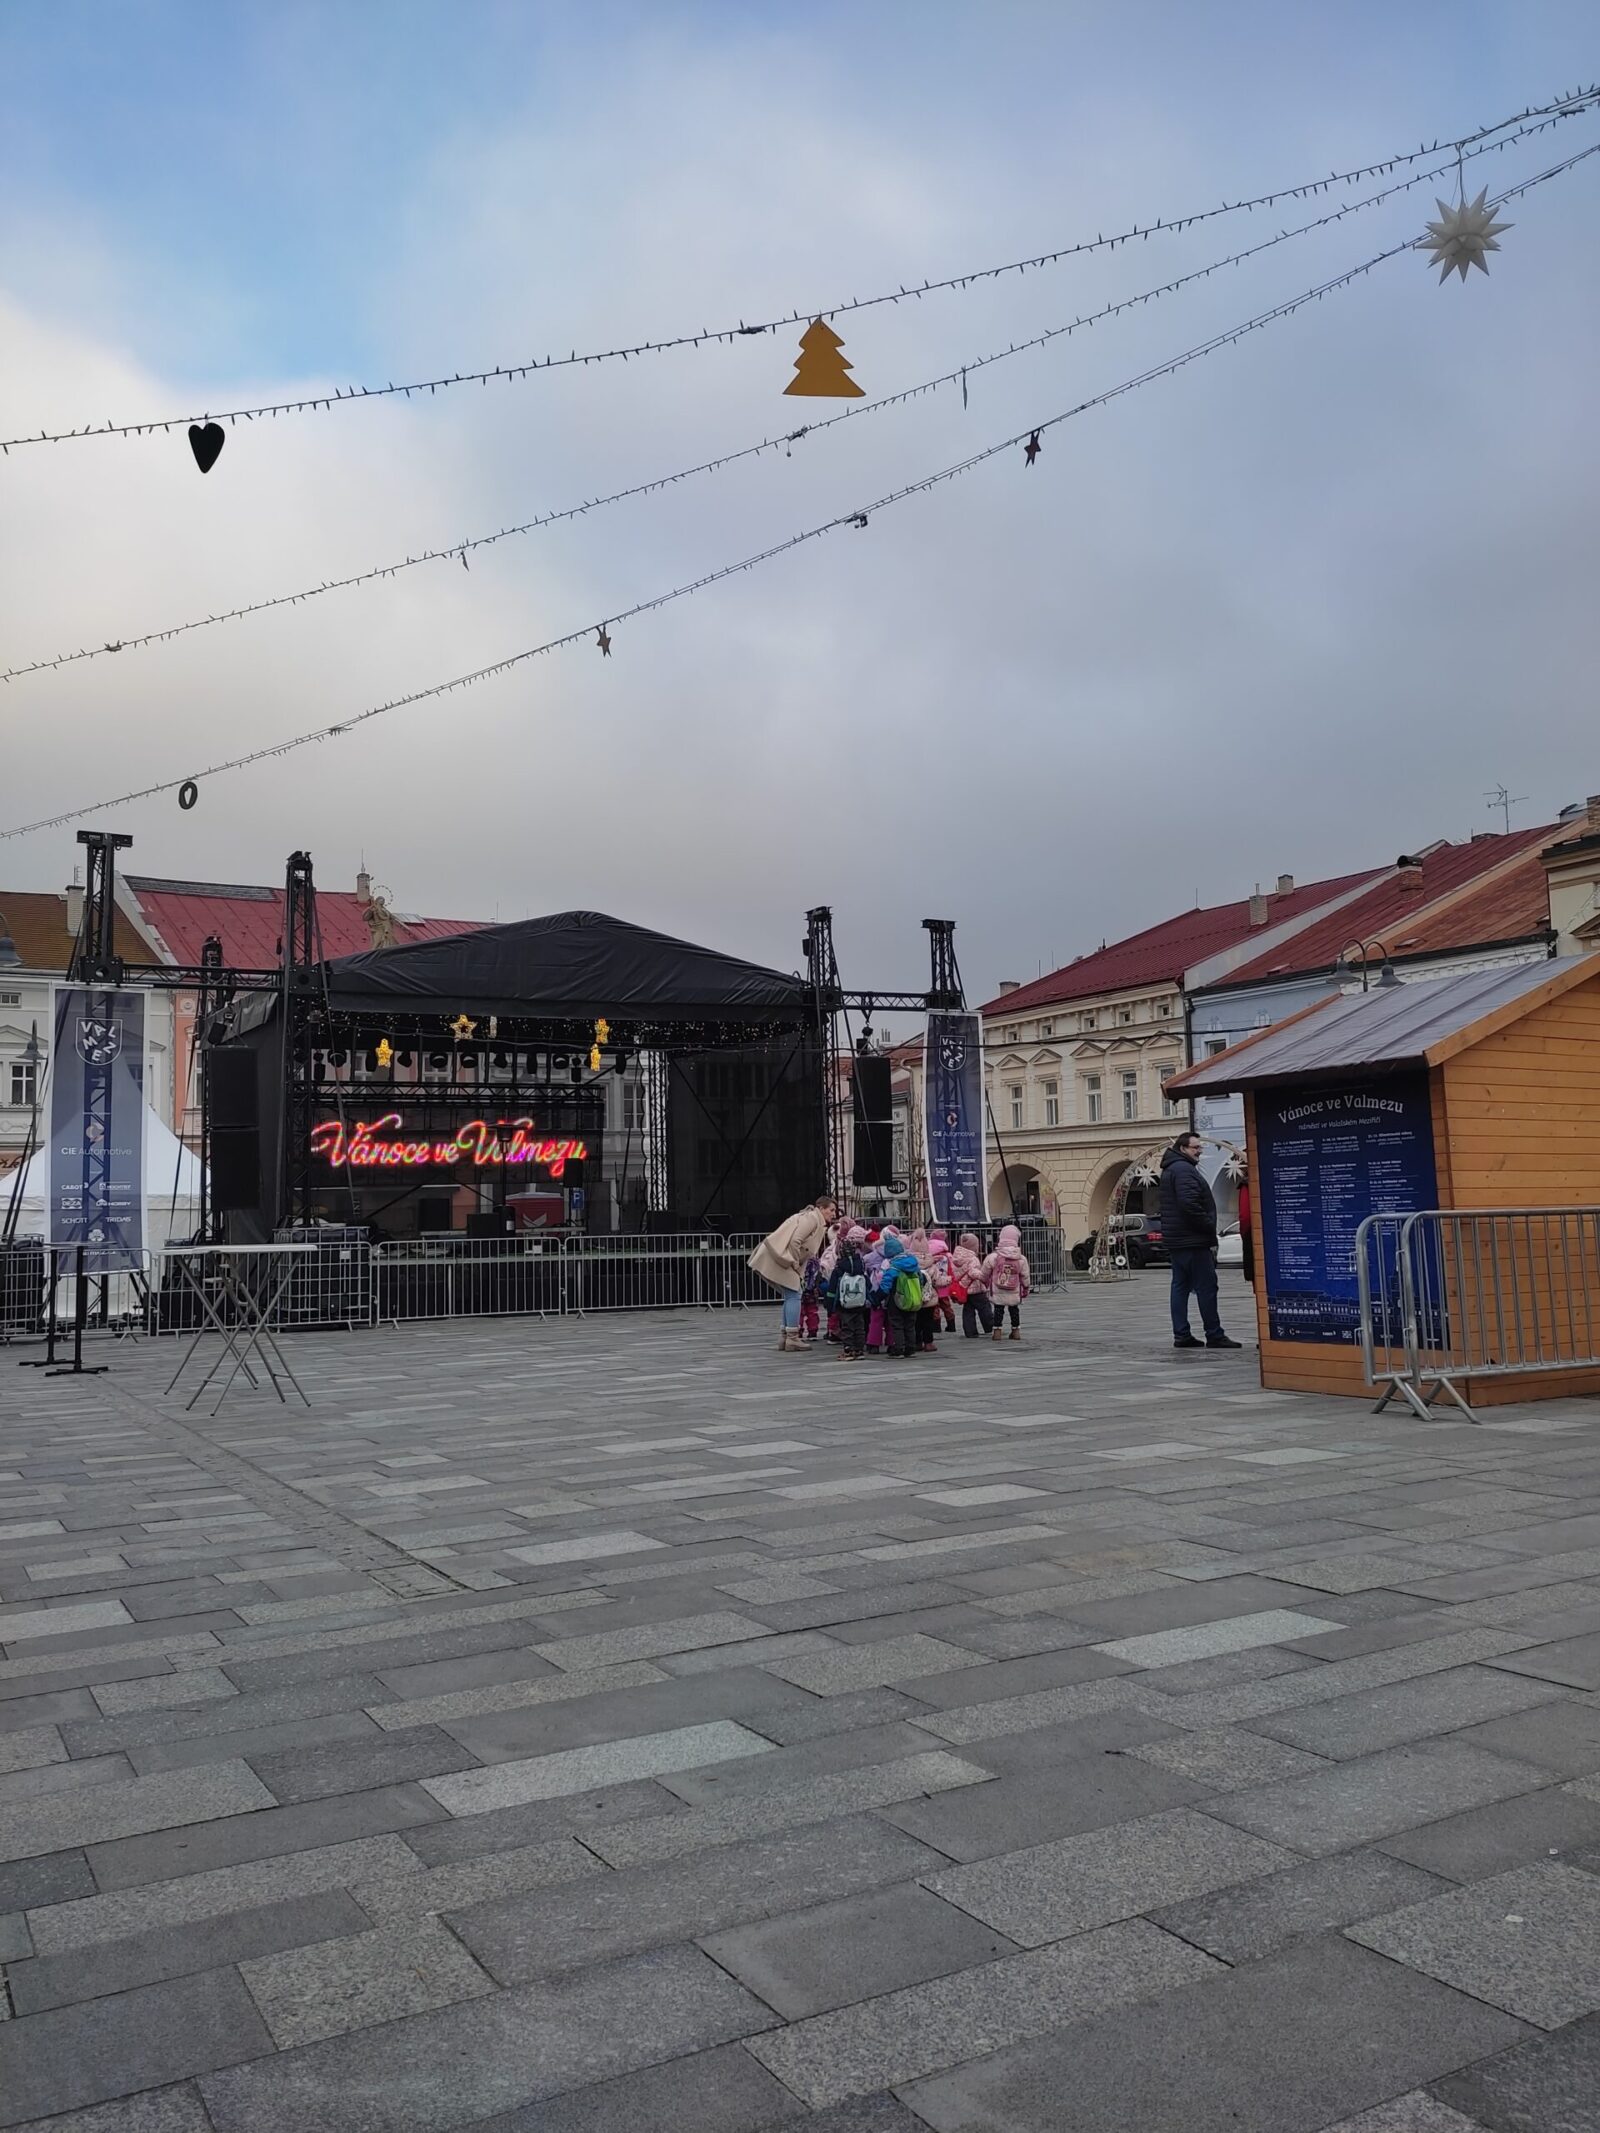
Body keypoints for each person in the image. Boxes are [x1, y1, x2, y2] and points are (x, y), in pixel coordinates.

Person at [1158, 1132, 1241, 1350]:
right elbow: (1189, 1204)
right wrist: (1208, 1225)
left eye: (1200, 1147)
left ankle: (1181, 1334)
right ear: (1183, 1148)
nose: (1199, 1151)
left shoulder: (1171, 1168)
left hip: (1178, 1240)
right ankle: (1214, 1334)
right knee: (1206, 1287)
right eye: (1195, 1147)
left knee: (1180, 1286)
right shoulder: (1183, 1170)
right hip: (1192, 1239)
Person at [748, 1195, 836, 1353]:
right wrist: (795, 1263)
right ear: (821, 1209)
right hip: (784, 1259)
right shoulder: (812, 1219)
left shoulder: (811, 1218)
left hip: (780, 1257)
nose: (834, 1214)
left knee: (790, 1295)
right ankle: (792, 1338)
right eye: (831, 1210)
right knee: (794, 1294)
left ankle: (786, 1336)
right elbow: (796, 1241)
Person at [981, 1223, 1030, 1340]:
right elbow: (1025, 1275)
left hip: (998, 1288)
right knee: (1014, 1309)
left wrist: (984, 1281)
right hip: (1014, 1289)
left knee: (998, 1309)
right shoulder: (1021, 1258)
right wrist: (1026, 1286)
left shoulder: (994, 1257)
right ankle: (1016, 1331)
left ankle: (997, 1332)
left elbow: (984, 1272)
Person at [830, 1224, 870, 1359]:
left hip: (844, 1303)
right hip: (860, 1302)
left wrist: (830, 1305)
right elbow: (867, 1284)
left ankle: (848, 1350)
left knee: (847, 1327)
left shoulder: (839, 1268)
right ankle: (859, 1350)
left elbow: (832, 1288)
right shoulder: (860, 1266)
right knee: (859, 1326)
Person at [878, 1237, 924, 1358]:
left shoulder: (894, 1267)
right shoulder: (914, 1264)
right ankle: (911, 1349)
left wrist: (877, 1298)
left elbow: (885, 1285)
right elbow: (922, 1279)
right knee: (910, 1325)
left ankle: (899, 1349)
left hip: (896, 1299)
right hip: (913, 1298)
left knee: (897, 1324)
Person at [951, 1232, 992, 1337]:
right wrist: (984, 1277)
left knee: (968, 1310)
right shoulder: (972, 1258)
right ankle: (990, 1327)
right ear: (974, 1246)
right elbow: (973, 1272)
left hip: (964, 1288)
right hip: (975, 1288)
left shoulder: (956, 1257)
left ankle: (970, 1332)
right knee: (984, 1307)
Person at [928, 1233, 958, 1333]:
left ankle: (936, 1327)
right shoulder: (947, 1255)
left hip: (934, 1284)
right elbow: (953, 1269)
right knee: (946, 1305)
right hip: (945, 1283)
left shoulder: (930, 1256)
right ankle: (951, 1325)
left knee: (935, 1306)